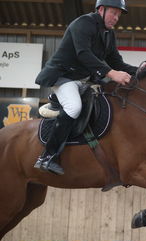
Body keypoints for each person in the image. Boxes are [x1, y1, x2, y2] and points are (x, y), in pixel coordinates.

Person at [34, 0, 137, 175]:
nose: (116, 18)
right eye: (113, 13)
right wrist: (112, 74)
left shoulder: (108, 34)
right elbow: (83, 54)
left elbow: (116, 62)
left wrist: (141, 70)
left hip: (84, 80)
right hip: (63, 77)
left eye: (119, 15)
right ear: (101, 9)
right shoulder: (83, 23)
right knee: (74, 107)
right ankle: (47, 157)